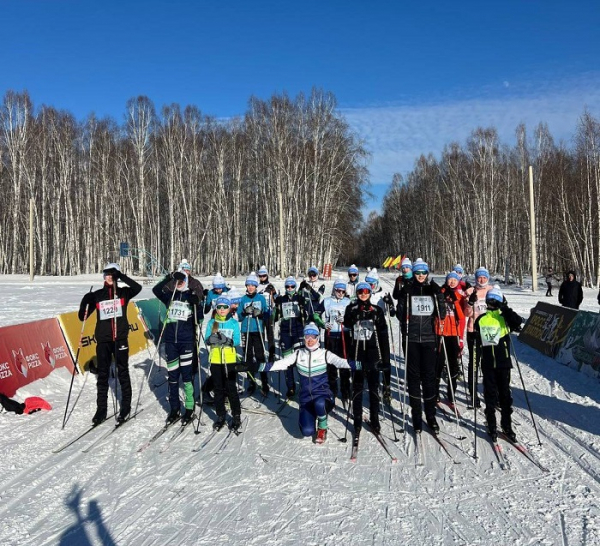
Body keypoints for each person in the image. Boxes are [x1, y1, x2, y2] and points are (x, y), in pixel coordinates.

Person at [241, 323, 358, 443]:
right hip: (306, 399)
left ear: (318, 337)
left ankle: (322, 426)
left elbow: (341, 362)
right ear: (304, 338)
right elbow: (279, 364)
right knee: (307, 431)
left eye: (313, 336)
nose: (310, 340)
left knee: (319, 403)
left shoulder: (324, 354)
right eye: (307, 336)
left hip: (323, 396)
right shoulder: (298, 354)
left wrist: (361, 365)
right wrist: (252, 366)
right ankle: (311, 416)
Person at [78, 263, 142, 425]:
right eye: (106, 273)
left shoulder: (124, 293)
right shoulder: (98, 295)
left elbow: (138, 287)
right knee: (103, 374)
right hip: (104, 339)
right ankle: (101, 409)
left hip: (120, 338)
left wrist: (120, 276)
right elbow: (82, 317)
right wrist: (85, 301)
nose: (109, 276)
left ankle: (125, 406)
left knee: (122, 371)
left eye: (112, 274)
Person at [396, 258, 446, 434]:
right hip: (411, 338)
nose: (420, 276)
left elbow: (443, 314)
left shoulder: (431, 290)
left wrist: (439, 294)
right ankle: (417, 416)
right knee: (413, 378)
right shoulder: (408, 290)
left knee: (429, 378)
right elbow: (400, 316)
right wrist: (403, 296)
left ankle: (430, 416)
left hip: (428, 338)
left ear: (427, 273)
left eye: (423, 273)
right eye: (417, 273)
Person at [152, 270, 203, 425]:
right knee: (173, 378)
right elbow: (156, 290)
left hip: (186, 341)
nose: (179, 283)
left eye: (182, 280)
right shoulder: (169, 296)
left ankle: (189, 408)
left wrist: (196, 303)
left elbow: (200, 316)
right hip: (171, 343)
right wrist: (169, 277)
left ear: (186, 281)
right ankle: (174, 409)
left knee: (187, 377)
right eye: (177, 281)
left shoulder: (190, 296)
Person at [473, 286, 523, 442]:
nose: (493, 303)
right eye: (491, 301)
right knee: (490, 394)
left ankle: (507, 426)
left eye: (496, 301)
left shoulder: (504, 318)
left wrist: (505, 308)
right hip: (488, 363)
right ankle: (491, 424)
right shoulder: (481, 319)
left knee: (505, 396)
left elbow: (517, 322)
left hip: (503, 362)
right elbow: (477, 334)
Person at [344, 281, 391, 436]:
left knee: (373, 387)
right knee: (357, 387)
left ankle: (374, 418)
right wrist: (354, 319)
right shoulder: (351, 308)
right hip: (357, 352)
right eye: (360, 291)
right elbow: (346, 327)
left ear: (370, 293)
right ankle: (357, 420)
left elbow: (383, 336)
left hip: (373, 353)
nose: (363, 294)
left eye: (366, 291)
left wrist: (385, 360)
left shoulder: (376, 310)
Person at [205, 296, 242, 431]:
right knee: (218, 389)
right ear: (216, 308)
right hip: (215, 360)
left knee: (231, 388)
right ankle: (220, 415)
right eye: (219, 307)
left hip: (229, 359)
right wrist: (211, 339)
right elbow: (206, 339)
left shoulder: (233, 323)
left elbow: (237, 340)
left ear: (229, 309)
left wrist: (228, 341)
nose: (222, 310)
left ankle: (236, 415)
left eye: (225, 307)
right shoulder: (212, 323)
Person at [435, 271, 470, 407]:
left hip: (454, 333)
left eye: (454, 280)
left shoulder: (460, 295)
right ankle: (435, 392)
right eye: (450, 280)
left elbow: (461, 317)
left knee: (453, 365)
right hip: (441, 332)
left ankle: (451, 393)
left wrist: (455, 301)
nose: (452, 282)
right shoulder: (441, 291)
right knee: (438, 364)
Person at [273, 277, 311, 397]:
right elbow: (274, 318)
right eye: (287, 287)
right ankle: (291, 387)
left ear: (295, 287)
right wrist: (276, 310)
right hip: (285, 333)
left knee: (300, 360)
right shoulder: (281, 299)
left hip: (298, 332)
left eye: (292, 286)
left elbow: (307, 314)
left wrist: (303, 308)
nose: (290, 289)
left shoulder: (299, 298)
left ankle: (304, 385)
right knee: (287, 362)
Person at [464, 267, 493, 408]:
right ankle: (473, 393)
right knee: (474, 363)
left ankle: (492, 393)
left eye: (484, 277)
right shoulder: (470, 291)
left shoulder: (492, 290)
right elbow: (466, 313)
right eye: (479, 277)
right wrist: (470, 302)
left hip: (489, 332)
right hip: (473, 331)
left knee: (489, 364)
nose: (481, 280)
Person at [237, 272, 269, 396]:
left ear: (256, 286)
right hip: (246, 330)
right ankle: (251, 381)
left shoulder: (260, 298)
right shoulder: (243, 299)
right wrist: (245, 312)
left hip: (257, 330)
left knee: (260, 356)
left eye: (252, 285)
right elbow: (239, 317)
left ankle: (264, 382)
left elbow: (267, 314)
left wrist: (260, 314)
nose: (250, 287)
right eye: (248, 285)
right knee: (247, 356)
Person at [321, 277, 352, 402]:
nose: (340, 293)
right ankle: (332, 391)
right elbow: (315, 314)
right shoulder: (327, 301)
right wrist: (323, 323)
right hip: (331, 336)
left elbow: (354, 318)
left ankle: (346, 392)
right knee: (331, 365)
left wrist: (347, 320)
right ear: (334, 289)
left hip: (345, 336)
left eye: (342, 291)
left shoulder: (348, 302)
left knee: (344, 364)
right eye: (338, 290)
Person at [256, 265, 278, 363]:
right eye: (260, 276)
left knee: (270, 335)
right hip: (260, 314)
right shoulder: (256, 286)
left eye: (264, 275)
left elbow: (277, 299)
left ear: (267, 275)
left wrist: (273, 290)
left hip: (269, 313)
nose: (262, 278)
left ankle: (272, 354)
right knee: (260, 334)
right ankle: (261, 353)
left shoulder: (272, 285)